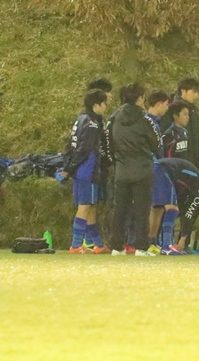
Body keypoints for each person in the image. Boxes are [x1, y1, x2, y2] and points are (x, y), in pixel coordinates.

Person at [106, 83, 161, 256]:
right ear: (140, 98)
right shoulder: (145, 119)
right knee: (142, 210)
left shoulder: (114, 117)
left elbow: (107, 142)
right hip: (142, 169)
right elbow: (157, 143)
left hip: (121, 170)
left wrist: (115, 161)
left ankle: (116, 247)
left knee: (119, 210)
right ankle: (141, 247)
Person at [63, 89, 109, 254]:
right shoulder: (92, 123)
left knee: (91, 207)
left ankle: (98, 244)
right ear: (96, 105)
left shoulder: (81, 119)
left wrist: (69, 167)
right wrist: (70, 168)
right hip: (87, 170)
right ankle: (75, 245)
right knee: (85, 206)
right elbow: (84, 149)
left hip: (81, 171)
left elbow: (70, 146)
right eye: (104, 103)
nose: (106, 107)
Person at [153, 157, 199, 255]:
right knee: (172, 209)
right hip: (163, 169)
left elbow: (187, 212)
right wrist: (182, 240)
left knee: (157, 207)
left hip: (156, 167)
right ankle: (166, 246)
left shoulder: (188, 187)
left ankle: (153, 243)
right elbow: (189, 213)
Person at [145, 90, 170, 252]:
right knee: (152, 205)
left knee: (159, 205)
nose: (167, 108)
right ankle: (147, 240)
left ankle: (152, 241)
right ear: (159, 104)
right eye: (166, 104)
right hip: (150, 167)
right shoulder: (146, 122)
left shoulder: (156, 122)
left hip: (158, 166)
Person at [161, 77, 199, 170]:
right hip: (180, 161)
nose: (196, 96)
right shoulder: (172, 109)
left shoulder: (192, 109)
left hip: (193, 161)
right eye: (194, 92)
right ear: (183, 91)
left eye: (197, 93)